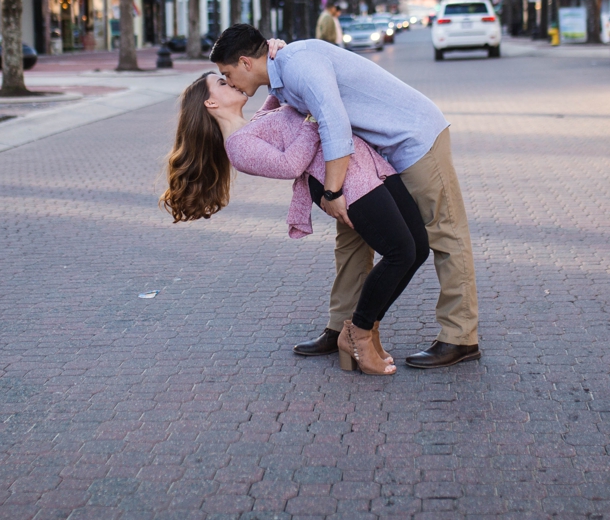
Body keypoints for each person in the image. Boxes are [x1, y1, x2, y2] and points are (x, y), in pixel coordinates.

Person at [209, 23, 482, 369]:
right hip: (375, 153)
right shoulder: (283, 72)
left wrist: (333, 190)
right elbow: (277, 114)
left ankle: (460, 337)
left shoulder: (299, 65)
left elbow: (333, 124)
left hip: (413, 137)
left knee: (445, 232)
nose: (229, 81)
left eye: (227, 73)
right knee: (351, 238)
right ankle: (341, 327)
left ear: (246, 62)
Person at [163, 71, 429, 374]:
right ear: (210, 102)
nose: (231, 82)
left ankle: (364, 329)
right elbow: (290, 164)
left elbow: (275, 91)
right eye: (222, 83)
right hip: (342, 180)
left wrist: (276, 57)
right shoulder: (238, 147)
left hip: (362, 161)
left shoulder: (256, 122)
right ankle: (359, 332)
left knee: (419, 248)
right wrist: (316, 115)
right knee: (400, 252)